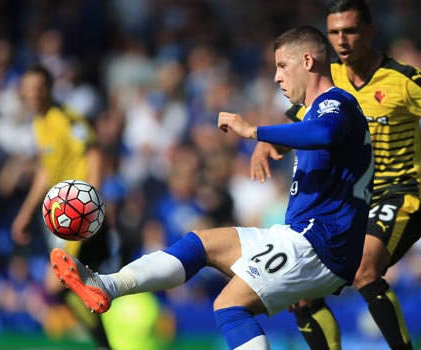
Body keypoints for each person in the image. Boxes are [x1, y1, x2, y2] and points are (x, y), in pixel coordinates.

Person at [50, 25, 374, 350]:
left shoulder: (336, 102)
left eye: (282, 66)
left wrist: (254, 132)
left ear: (307, 61)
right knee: (201, 244)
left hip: (319, 241)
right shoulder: (315, 113)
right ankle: (107, 285)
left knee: (229, 306)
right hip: (304, 236)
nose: (277, 77)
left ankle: (107, 285)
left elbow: (326, 134)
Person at [250, 1, 421, 349]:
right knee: (300, 295)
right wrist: (266, 144)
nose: (341, 40)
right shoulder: (330, 80)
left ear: (371, 32)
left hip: (398, 194)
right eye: (334, 33)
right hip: (350, 204)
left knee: (364, 270)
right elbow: (303, 125)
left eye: (350, 31)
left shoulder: (405, 80)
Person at [10, 64, 113, 348]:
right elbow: (46, 170)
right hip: (59, 213)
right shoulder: (38, 123)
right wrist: (25, 212)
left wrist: (92, 199)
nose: (33, 94)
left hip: (77, 212)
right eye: (29, 88)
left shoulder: (65, 119)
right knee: (63, 287)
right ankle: (102, 340)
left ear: (49, 89)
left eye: (39, 88)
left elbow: (94, 153)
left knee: (58, 284)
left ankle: (104, 341)